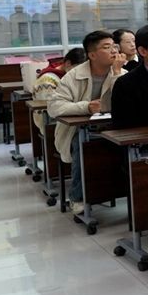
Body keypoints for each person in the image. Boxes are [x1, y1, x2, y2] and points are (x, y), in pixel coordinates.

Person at [47, 30, 126, 213]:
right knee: (83, 144)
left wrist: (116, 74)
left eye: (114, 46)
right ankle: (77, 197)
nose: (114, 51)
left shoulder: (121, 72)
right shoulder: (73, 76)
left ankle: (125, 191)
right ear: (92, 55)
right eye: (107, 47)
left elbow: (125, 102)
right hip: (77, 131)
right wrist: (87, 107)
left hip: (112, 128)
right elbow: (54, 107)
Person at [32, 48, 86, 130]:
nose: (80, 74)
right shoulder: (47, 80)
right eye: (78, 70)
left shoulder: (68, 76)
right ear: (68, 63)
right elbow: (51, 107)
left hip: (69, 116)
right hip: (50, 121)